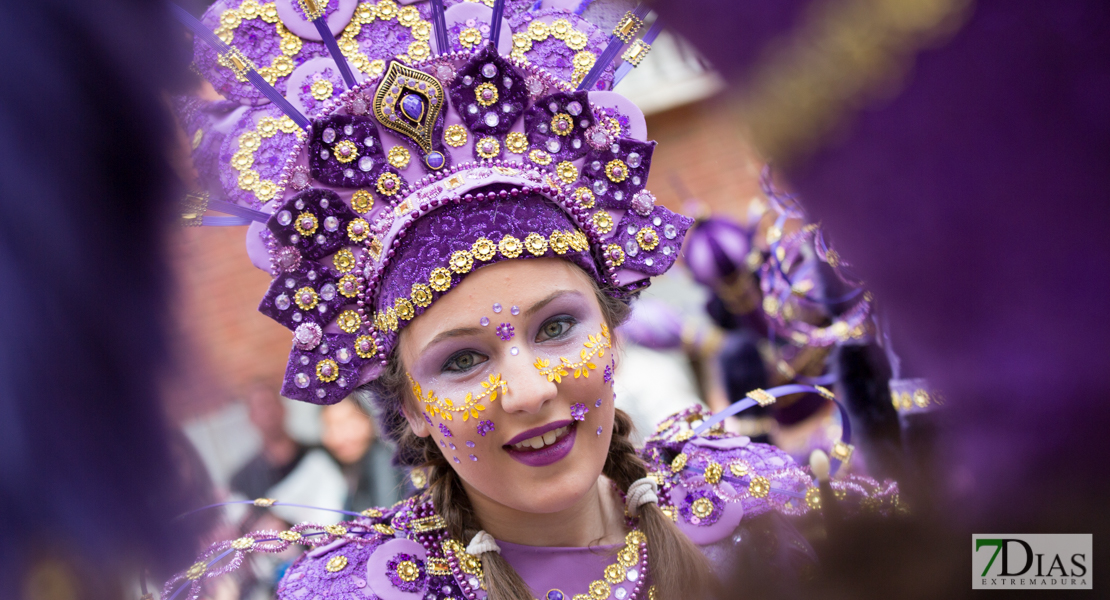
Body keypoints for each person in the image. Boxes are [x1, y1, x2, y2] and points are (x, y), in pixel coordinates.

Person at [163, 2, 898, 599]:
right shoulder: (369, 591)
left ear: (612, 330)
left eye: (556, 326)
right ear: (411, 403)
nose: (529, 389)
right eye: (462, 361)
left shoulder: (748, 503)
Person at [230, 382, 311, 502]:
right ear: (251, 417)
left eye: (271, 403)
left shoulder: (316, 454)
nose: (269, 412)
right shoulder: (243, 481)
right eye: (261, 406)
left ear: (283, 408)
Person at [320, 398, 405, 511]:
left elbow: (386, 515)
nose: (338, 437)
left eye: (345, 424)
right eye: (329, 426)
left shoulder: (382, 461)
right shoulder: (340, 466)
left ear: (367, 418)